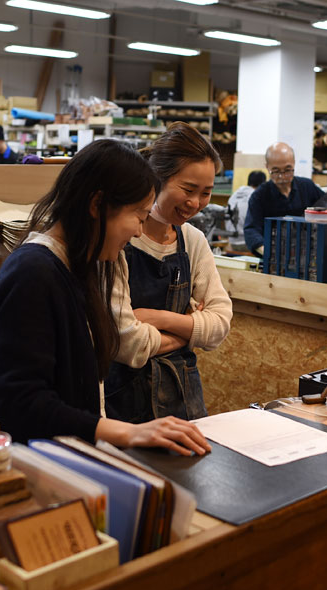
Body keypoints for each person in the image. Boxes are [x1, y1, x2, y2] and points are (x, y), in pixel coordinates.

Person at [0, 139, 210, 456]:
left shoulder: (86, 266)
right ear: (97, 204)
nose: (139, 233)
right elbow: (23, 402)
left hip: (70, 459)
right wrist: (127, 432)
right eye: (138, 217)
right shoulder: (32, 273)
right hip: (36, 467)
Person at [104, 122, 233, 424]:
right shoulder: (119, 241)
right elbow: (127, 342)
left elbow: (220, 323)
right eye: (188, 189)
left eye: (206, 193)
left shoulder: (193, 241)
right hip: (122, 402)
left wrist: (159, 319)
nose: (195, 203)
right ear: (157, 178)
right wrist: (191, 329)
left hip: (183, 400)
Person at [242, 142, 324, 256]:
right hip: (274, 259)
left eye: (287, 170)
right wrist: (268, 252)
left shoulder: (307, 187)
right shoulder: (259, 196)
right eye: (275, 171)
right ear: (267, 167)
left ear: (294, 164)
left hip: (308, 256)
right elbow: (251, 230)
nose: (282, 177)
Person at [225, 170, 266, 249]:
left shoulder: (235, 194)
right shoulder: (257, 197)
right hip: (247, 244)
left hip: (231, 242)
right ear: (263, 184)